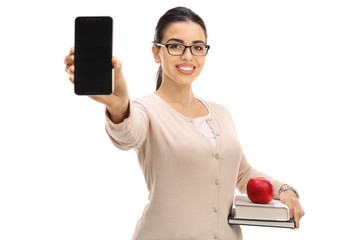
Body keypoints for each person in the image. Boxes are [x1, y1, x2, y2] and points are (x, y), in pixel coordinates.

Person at [64, 6, 304, 240]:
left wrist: (284, 190)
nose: (188, 56)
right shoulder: (145, 109)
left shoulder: (221, 113)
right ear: (156, 53)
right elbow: (128, 135)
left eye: (197, 47)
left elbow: (242, 174)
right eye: (175, 46)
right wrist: (119, 106)